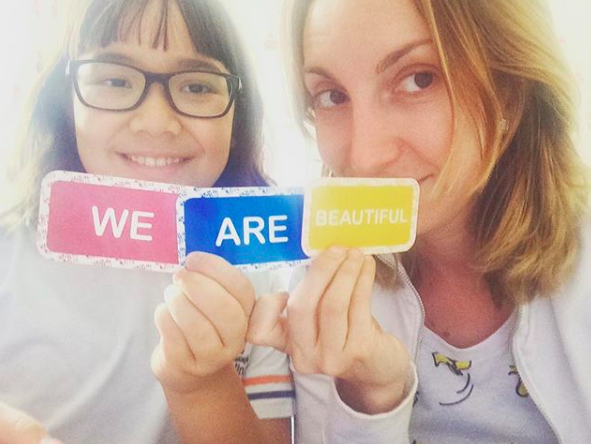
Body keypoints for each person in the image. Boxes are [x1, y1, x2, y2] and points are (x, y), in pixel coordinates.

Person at [247, 0, 591, 442]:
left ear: (509, 89)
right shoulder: (321, 283)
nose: (365, 158)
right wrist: (372, 398)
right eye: (332, 96)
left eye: (418, 79)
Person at [0, 0, 293, 443]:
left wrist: (207, 380)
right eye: (115, 80)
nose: (156, 123)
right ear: (65, 100)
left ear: (239, 115)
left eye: (197, 87)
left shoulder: (260, 275)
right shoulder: (9, 251)